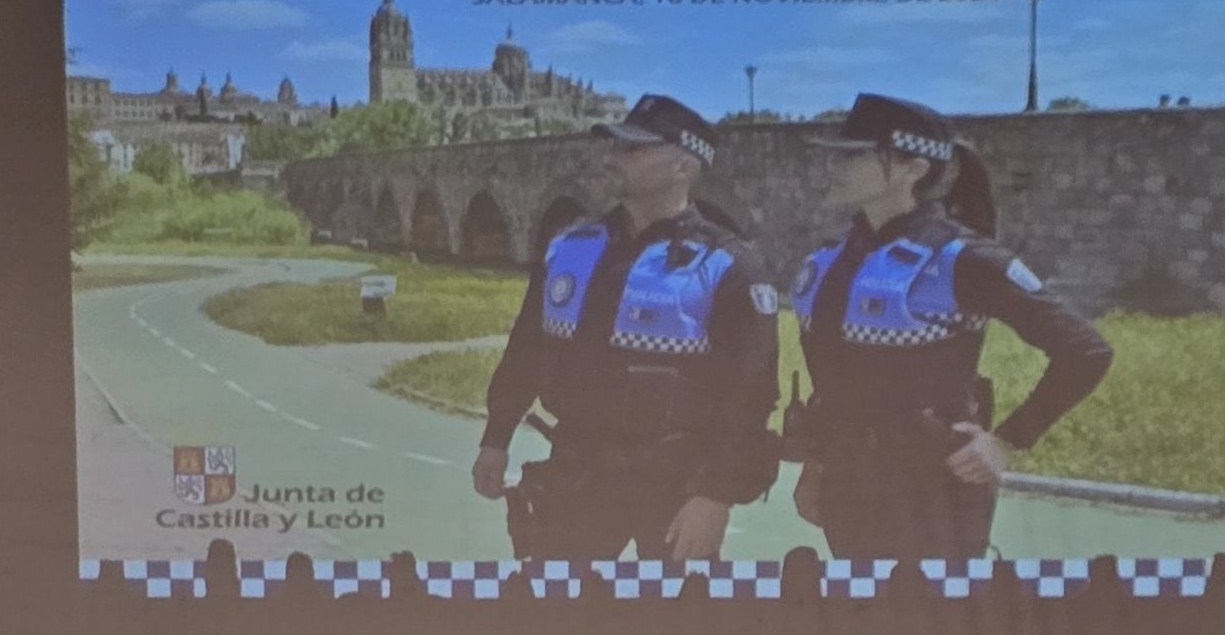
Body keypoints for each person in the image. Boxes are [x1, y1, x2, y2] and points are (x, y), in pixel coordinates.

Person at [786, 93, 1113, 559]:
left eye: (855, 154)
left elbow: (1086, 351)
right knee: (864, 626)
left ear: (913, 168)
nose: (836, 165)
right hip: (848, 486)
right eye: (837, 154)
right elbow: (835, 379)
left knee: (935, 630)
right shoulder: (834, 259)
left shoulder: (962, 259)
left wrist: (1006, 441)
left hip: (936, 493)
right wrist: (817, 464)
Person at [476, 93, 783, 561]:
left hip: (675, 486)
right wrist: (496, 439)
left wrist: (715, 495)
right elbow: (527, 351)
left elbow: (749, 394)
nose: (614, 158)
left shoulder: (728, 265)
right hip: (576, 474)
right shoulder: (570, 249)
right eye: (616, 146)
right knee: (559, 621)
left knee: (670, 628)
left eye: (634, 149)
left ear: (684, 166)